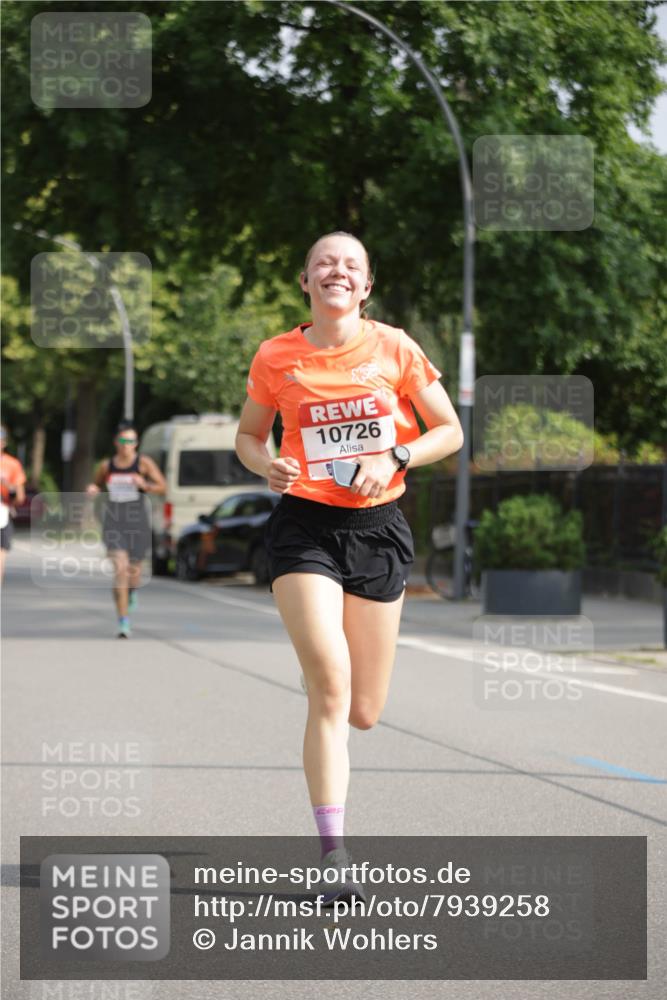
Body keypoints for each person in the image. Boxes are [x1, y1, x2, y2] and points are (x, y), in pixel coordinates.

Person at [235, 231, 464, 903]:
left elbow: (447, 430)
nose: (337, 271)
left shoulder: (394, 347)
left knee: (363, 710)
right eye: (324, 263)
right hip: (304, 527)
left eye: (351, 265)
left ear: (364, 287)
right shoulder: (276, 355)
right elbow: (249, 435)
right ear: (305, 281)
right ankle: (334, 855)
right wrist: (265, 463)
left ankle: (329, 697)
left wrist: (394, 456)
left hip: (377, 530)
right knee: (330, 685)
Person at [86, 422, 166, 637]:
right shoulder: (106, 466)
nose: (126, 445)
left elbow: (162, 486)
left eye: (130, 441)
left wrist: (145, 485)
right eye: (123, 441)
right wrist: (93, 490)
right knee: (120, 571)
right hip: (114, 523)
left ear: (136, 444)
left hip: (138, 523)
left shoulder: (143, 463)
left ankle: (131, 592)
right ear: (116, 442)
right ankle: (123, 622)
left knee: (134, 574)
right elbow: (97, 485)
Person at [0, 425, 27, 584]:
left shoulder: (12, 464)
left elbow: (20, 497)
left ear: (4, 442)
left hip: (3, 512)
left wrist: (8, 486)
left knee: (1, 555)